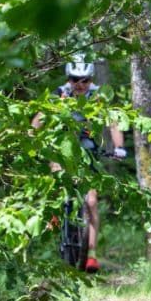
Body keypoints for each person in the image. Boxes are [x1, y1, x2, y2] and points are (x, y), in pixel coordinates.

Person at [33, 56, 126, 273]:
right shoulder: (60, 94)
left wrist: (119, 146)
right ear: (69, 78)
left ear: (90, 79)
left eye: (84, 80)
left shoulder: (97, 96)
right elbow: (37, 120)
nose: (80, 85)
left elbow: (113, 122)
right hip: (61, 150)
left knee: (91, 201)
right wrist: (34, 140)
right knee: (56, 180)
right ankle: (55, 216)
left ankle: (91, 254)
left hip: (88, 152)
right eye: (75, 80)